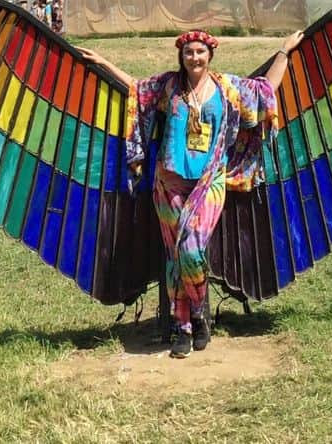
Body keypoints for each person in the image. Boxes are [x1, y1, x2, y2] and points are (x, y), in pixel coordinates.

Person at [78, 29, 304, 358]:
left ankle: (198, 313)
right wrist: (103, 62)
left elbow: (265, 90)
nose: (194, 58)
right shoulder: (169, 86)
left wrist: (284, 51)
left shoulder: (227, 88)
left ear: (210, 55)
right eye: (188, 53)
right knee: (174, 259)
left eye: (199, 52)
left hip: (208, 182)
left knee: (192, 249)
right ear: (181, 57)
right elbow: (135, 88)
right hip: (168, 183)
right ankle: (183, 327)